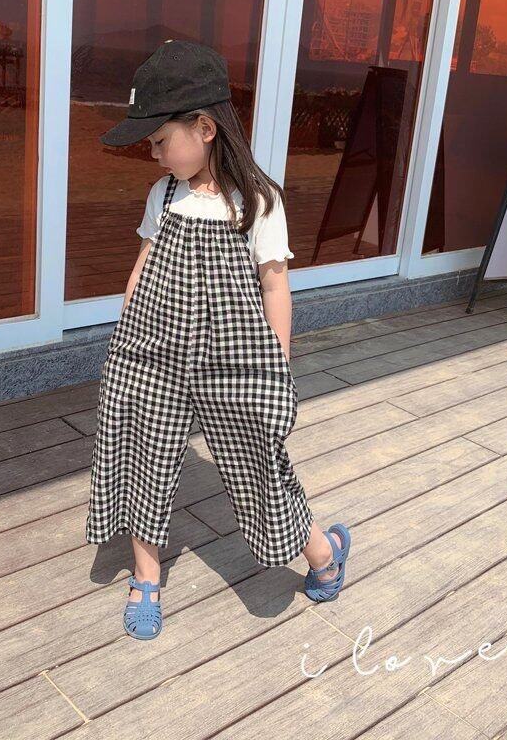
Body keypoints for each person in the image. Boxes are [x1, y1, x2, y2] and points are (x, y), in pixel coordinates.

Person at [86, 40, 351, 640]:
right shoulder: (165, 195)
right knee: (142, 452)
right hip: (153, 352)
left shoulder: (257, 203)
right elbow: (144, 265)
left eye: (161, 140)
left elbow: (275, 287)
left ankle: (323, 552)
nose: (154, 153)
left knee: (259, 462)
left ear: (204, 128)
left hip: (233, 359)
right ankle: (146, 575)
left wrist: (276, 365)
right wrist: (126, 332)